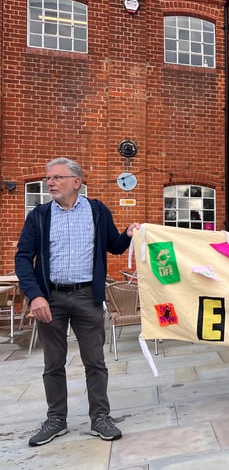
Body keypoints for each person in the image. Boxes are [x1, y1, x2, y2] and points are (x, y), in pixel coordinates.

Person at [15, 157, 140, 447]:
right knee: (53, 363)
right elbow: (23, 258)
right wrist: (35, 295)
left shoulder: (97, 211)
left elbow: (114, 246)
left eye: (57, 177)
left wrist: (128, 234)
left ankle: (100, 417)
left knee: (95, 361)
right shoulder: (40, 216)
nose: (50, 183)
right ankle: (56, 419)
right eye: (49, 178)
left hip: (87, 297)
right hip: (51, 298)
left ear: (76, 182)